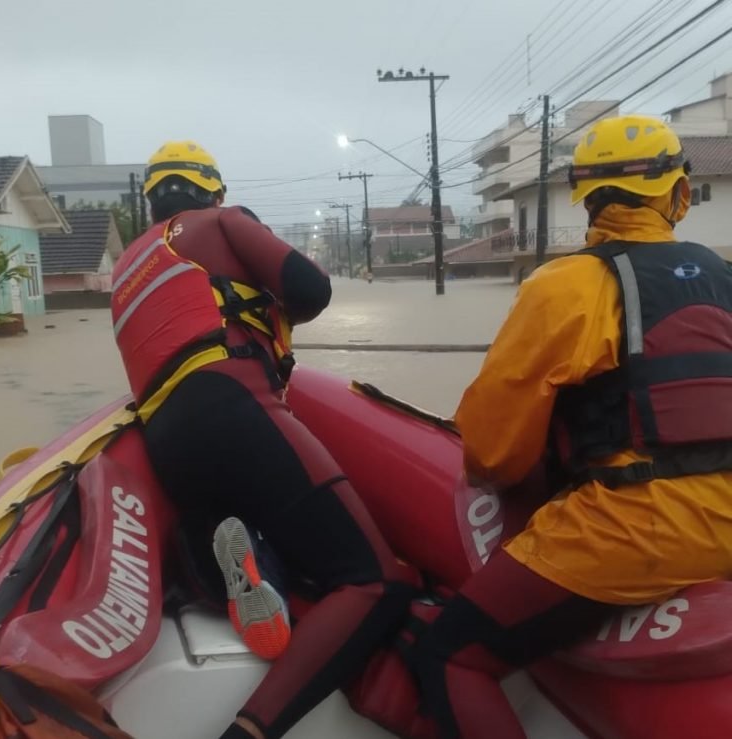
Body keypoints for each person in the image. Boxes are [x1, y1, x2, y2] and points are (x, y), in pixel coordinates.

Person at [400, 115, 732, 738]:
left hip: (642, 529)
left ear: (585, 198)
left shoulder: (568, 284)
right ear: (679, 193)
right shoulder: (726, 279)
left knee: (449, 653)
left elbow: (492, 457)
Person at [110, 141, 417, 739]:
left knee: (294, 539)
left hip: (168, 441)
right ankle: (249, 731)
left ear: (151, 202)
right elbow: (312, 289)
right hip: (235, 405)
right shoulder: (223, 221)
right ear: (213, 190)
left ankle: (246, 560)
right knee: (376, 579)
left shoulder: (126, 268)